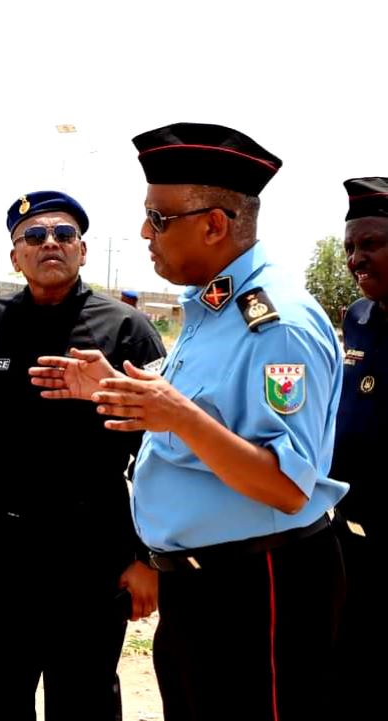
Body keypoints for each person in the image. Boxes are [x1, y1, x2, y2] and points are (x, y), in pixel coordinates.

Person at [30, 123, 346, 721]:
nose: (146, 233)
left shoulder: (276, 323)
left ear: (214, 223)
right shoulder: (210, 309)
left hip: (259, 585)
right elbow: (199, 419)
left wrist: (177, 414)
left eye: (159, 218)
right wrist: (126, 395)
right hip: (197, 586)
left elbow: (286, 485)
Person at [0, 190, 165, 720]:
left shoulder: (126, 330)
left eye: (64, 235)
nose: (50, 245)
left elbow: (162, 448)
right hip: (0, 551)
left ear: (83, 251)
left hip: (89, 553)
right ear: (15, 257)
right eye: (34, 237)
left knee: (83, 699)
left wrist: (146, 556)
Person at [329, 176, 388, 719]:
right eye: (350, 246)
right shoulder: (358, 318)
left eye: (371, 244)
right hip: (351, 542)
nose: (355, 258)